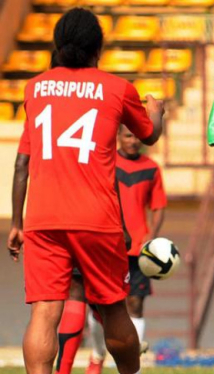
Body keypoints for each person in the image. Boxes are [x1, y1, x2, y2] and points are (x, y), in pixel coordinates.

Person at [7, 7, 164, 374]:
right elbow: (148, 135)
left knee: (45, 311)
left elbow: (20, 164)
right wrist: (156, 110)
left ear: (58, 45)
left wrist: (17, 222)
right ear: (99, 48)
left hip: (42, 217)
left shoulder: (35, 89)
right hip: (96, 217)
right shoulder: (117, 88)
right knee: (113, 308)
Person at [86, 124, 167, 373]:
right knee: (99, 307)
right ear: (118, 137)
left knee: (136, 304)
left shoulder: (151, 168)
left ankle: (135, 366)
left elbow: (159, 205)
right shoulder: (105, 162)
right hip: (108, 246)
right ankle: (98, 354)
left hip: (138, 251)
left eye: (136, 136)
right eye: (127, 135)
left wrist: (151, 236)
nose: (133, 140)